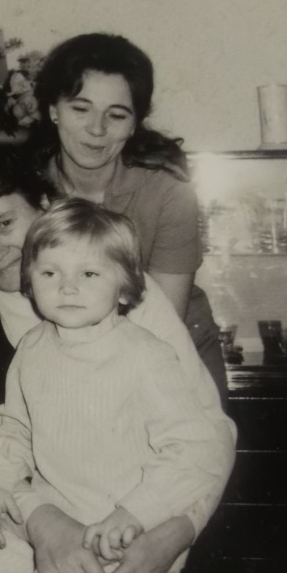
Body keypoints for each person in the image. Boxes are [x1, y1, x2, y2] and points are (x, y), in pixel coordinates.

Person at [0, 147, 236, 573]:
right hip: (30, 520)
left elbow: (206, 436)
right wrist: (40, 522)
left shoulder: (122, 295)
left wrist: (173, 531)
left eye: (4, 223)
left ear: (45, 207)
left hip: (141, 524)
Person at [27, 33, 228, 406]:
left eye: (116, 115)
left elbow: (163, 321)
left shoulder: (168, 191)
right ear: (54, 110)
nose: (97, 129)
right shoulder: (24, 191)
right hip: (62, 361)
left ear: (135, 124)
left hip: (171, 353)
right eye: (81, 109)